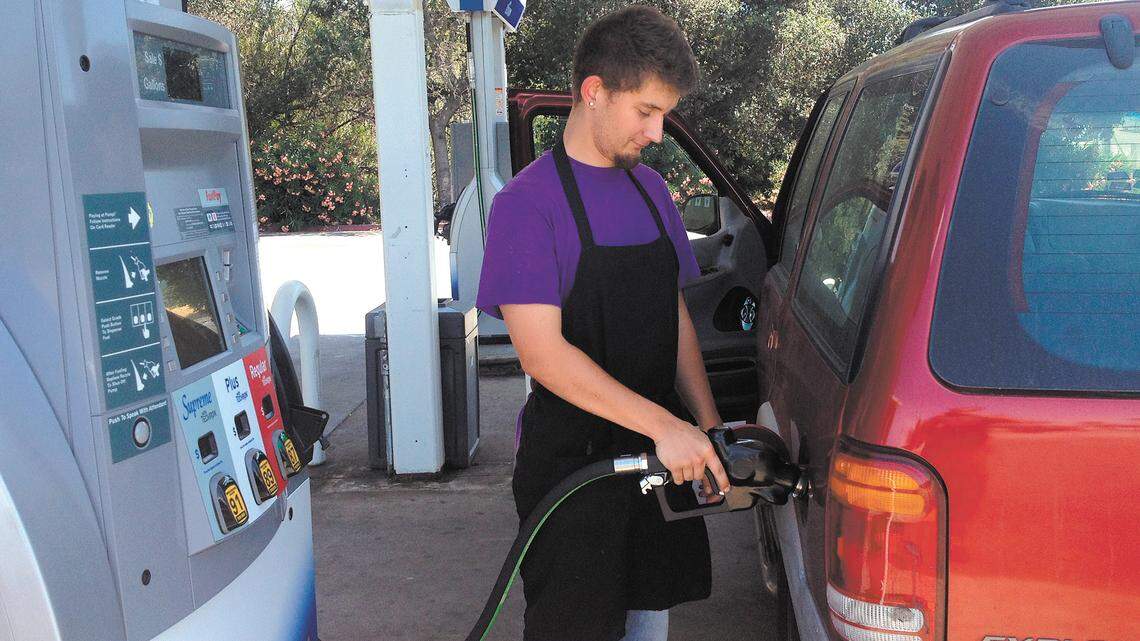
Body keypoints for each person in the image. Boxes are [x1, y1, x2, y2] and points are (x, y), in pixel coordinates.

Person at [475, 6, 730, 641]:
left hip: (655, 468)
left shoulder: (652, 192)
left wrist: (709, 428)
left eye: (664, 114)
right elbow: (542, 355)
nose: (657, 131)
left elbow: (672, 316)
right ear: (594, 92)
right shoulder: (526, 206)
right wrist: (666, 426)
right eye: (646, 111)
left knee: (647, 625)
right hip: (573, 476)